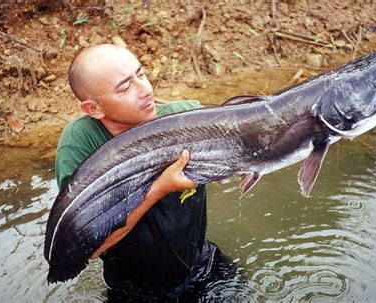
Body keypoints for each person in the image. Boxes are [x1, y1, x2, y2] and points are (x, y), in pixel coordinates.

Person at [55, 44, 240, 301]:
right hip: (135, 291)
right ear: (93, 109)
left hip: (204, 267)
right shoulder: (82, 143)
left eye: (140, 74)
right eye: (125, 87)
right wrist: (160, 188)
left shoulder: (185, 117)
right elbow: (88, 246)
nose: (145, 90)